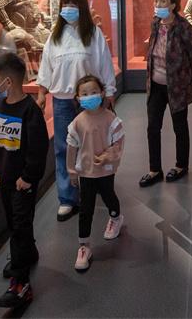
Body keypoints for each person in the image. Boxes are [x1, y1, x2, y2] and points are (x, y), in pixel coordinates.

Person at [36, 0, 116, 221]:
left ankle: (95, 184)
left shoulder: (93, 33)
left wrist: (109, 91)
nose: (68, 9)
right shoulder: (55, 36)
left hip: (89, 100)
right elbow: (46, 65)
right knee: (64, 148)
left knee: (93, 144)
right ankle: (68, 198)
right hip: (62, 100)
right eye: (65, 4)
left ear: (82, 7)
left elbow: (104, 63)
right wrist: (41, 93)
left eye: (73, 4)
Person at [0, 52, 49, 309]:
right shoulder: (0, 108)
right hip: (5, 178)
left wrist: (28, 177)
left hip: (23, 182)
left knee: (21, 225)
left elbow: (38, 148)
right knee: (14, 223)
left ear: (8, 82)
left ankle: (21, 284)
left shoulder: (30, 111)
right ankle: (27, 254)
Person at [140, 0, 192, 187]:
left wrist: (184, 76)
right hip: (155, 84)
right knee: (152, 127)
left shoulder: (184, 27)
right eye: (156, 0)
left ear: (173, 5)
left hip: (176, 87)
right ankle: (154, 169)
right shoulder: (155, 23)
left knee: (179, 127)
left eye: (163, 1)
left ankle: (181, 165)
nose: (158, 4)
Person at [66, 75, 125, 271]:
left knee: (109, 196)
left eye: (93, 92)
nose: (89, 96)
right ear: (78, 98)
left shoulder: (111, 119)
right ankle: (84, 246)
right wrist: (72, 171)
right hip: (86, 172)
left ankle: (116, 217)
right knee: (86, 208)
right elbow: (71, 148)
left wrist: (109, 155)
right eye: (84, 94)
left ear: (101, 93)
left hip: (106, 170)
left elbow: (119, 143)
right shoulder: (77, 123)